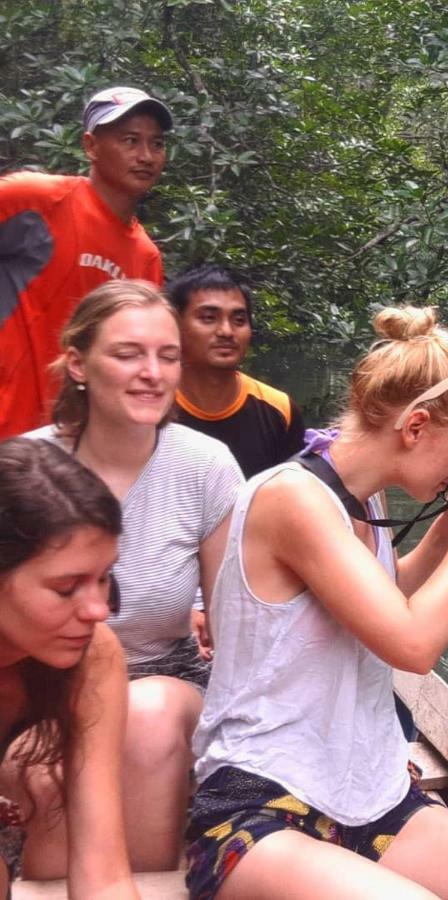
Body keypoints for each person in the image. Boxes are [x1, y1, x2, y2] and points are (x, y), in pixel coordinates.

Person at [185, 306, 448, 899]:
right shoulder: (293, 499)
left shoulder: (361, 497)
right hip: (260, 805)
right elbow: (412, 646)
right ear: (416, 426)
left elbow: (385, 597)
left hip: (370, 798)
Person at [22, 280, 243, 875]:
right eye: (128, 354)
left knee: (142, 720)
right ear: (78, 364)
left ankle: (147, 879)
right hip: (42, 684)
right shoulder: (25, 468)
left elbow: (233, 633)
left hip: (165, 677)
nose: (152, 373)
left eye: (167, 356)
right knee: (44, 766)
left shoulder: (205, 465)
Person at [0, 437, 139, 899]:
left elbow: (103, 874)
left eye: (103, 577)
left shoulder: (93, 655)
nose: (99, 610)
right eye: (66, 588)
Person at [0, 85, 172, 439]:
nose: (146, 155)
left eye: (156, 144)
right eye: (130, 141)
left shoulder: (146, 256)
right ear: (91, 146)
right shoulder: (36, 199)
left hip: (76, 446)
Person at [168, 264, 306, 477]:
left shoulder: (279, 410)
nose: (226, 331)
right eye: (208, 318)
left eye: (239, 320)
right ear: (176, 324)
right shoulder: (154, 404)